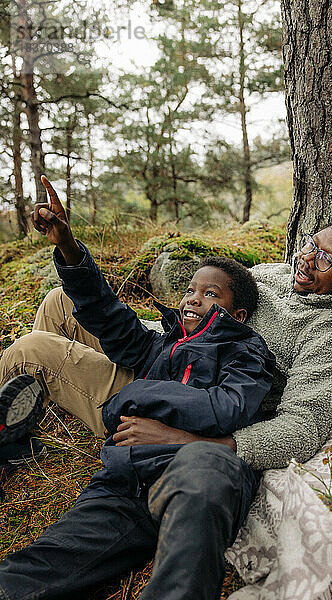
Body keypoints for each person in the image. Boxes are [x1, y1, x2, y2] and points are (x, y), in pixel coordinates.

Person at [0, 175, 332, 598]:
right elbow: (196, 314)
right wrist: (70, 246)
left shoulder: (326, 330)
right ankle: (20, 431)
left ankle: (26, 426)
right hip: (166, 358)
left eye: (325, 260)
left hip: (196, 407)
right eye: (311, 245)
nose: (306, 260)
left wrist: (184, 439)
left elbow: (302, 426)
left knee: (33, 350)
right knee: (58, 304)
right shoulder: (270, 275)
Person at [0, 176, 275, 600]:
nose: (192, 299)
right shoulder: (160, 344)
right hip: (124, 482)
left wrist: (138, 398)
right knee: (32, 571)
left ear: (237, 314)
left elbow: (230, 406)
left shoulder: (244, 350)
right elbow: (107, 315)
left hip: (196, 468)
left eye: (210, 294)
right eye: (189, 289)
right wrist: (68, 246)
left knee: (201, 479)